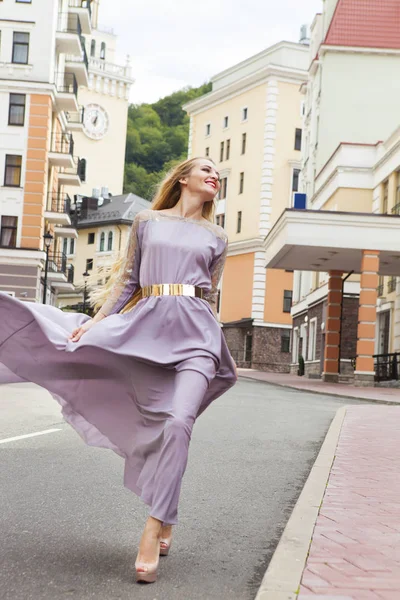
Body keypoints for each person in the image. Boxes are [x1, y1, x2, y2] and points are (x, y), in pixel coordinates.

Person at [0, 156, 238, 584]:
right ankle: (167, 516)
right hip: (148, 326)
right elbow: (129, 281)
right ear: (182, 178)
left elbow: (210, 294)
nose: (213, 175)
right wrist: (95, 322)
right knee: (156, 418)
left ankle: (153, 525)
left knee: (181, 421)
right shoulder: (148, 221)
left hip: (198, 336)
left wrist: (216, 338)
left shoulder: (218, 236)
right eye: (206, 169)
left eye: (218, 174)